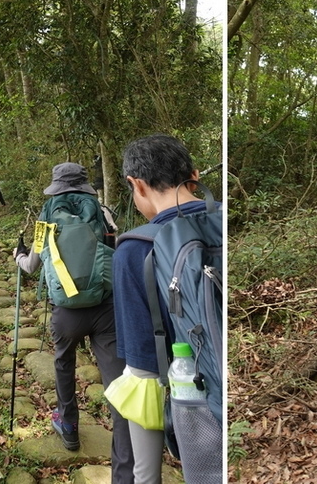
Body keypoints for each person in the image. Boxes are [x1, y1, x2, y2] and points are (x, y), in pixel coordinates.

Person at [110, 134, 221, 484]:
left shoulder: (133, 249)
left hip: (201, 411)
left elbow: (142, 369)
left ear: (136, 185)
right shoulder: (227, 221)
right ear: (195, 175)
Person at [13, 163, 134, 482]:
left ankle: (68, 427)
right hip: (105, 309)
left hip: (65, 311)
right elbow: (118, 253)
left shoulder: (46, 217)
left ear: (56, 187)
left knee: (63, 364)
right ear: (84, 186)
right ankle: (126, 454)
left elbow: (31, 267)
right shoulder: (103, 212)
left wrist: (18, 256)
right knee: (117, 379)